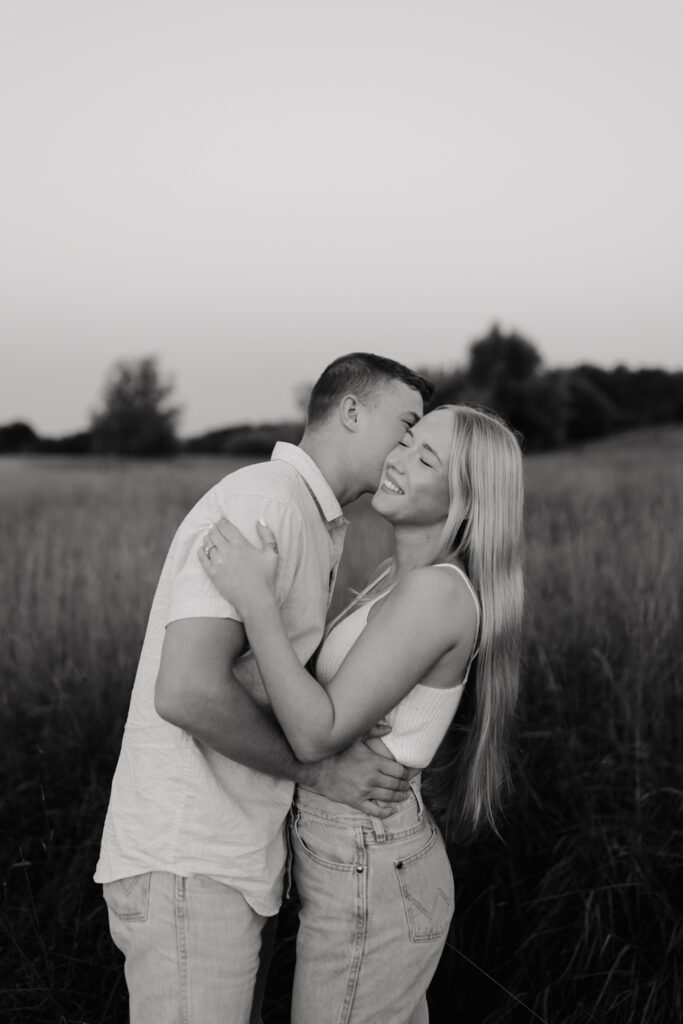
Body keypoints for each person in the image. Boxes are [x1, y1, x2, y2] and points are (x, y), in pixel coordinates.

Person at [94, 353, 434, 1024]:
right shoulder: (264, 499)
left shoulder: (308, 516)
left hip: (232, 865)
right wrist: (323, 771)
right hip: (191, 861)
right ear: (351, 411)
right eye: (406, 425)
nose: (410, 447)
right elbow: (186, 691)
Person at [198, 403, 524, 1024]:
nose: (397, 460)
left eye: (425, 458)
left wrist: (254, 597)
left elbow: (314, 732)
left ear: (469, 500)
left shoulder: (436, 594)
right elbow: (321, 716)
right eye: (406, 441)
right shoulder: (396, 581)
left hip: (372, 857)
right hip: (355, 851)